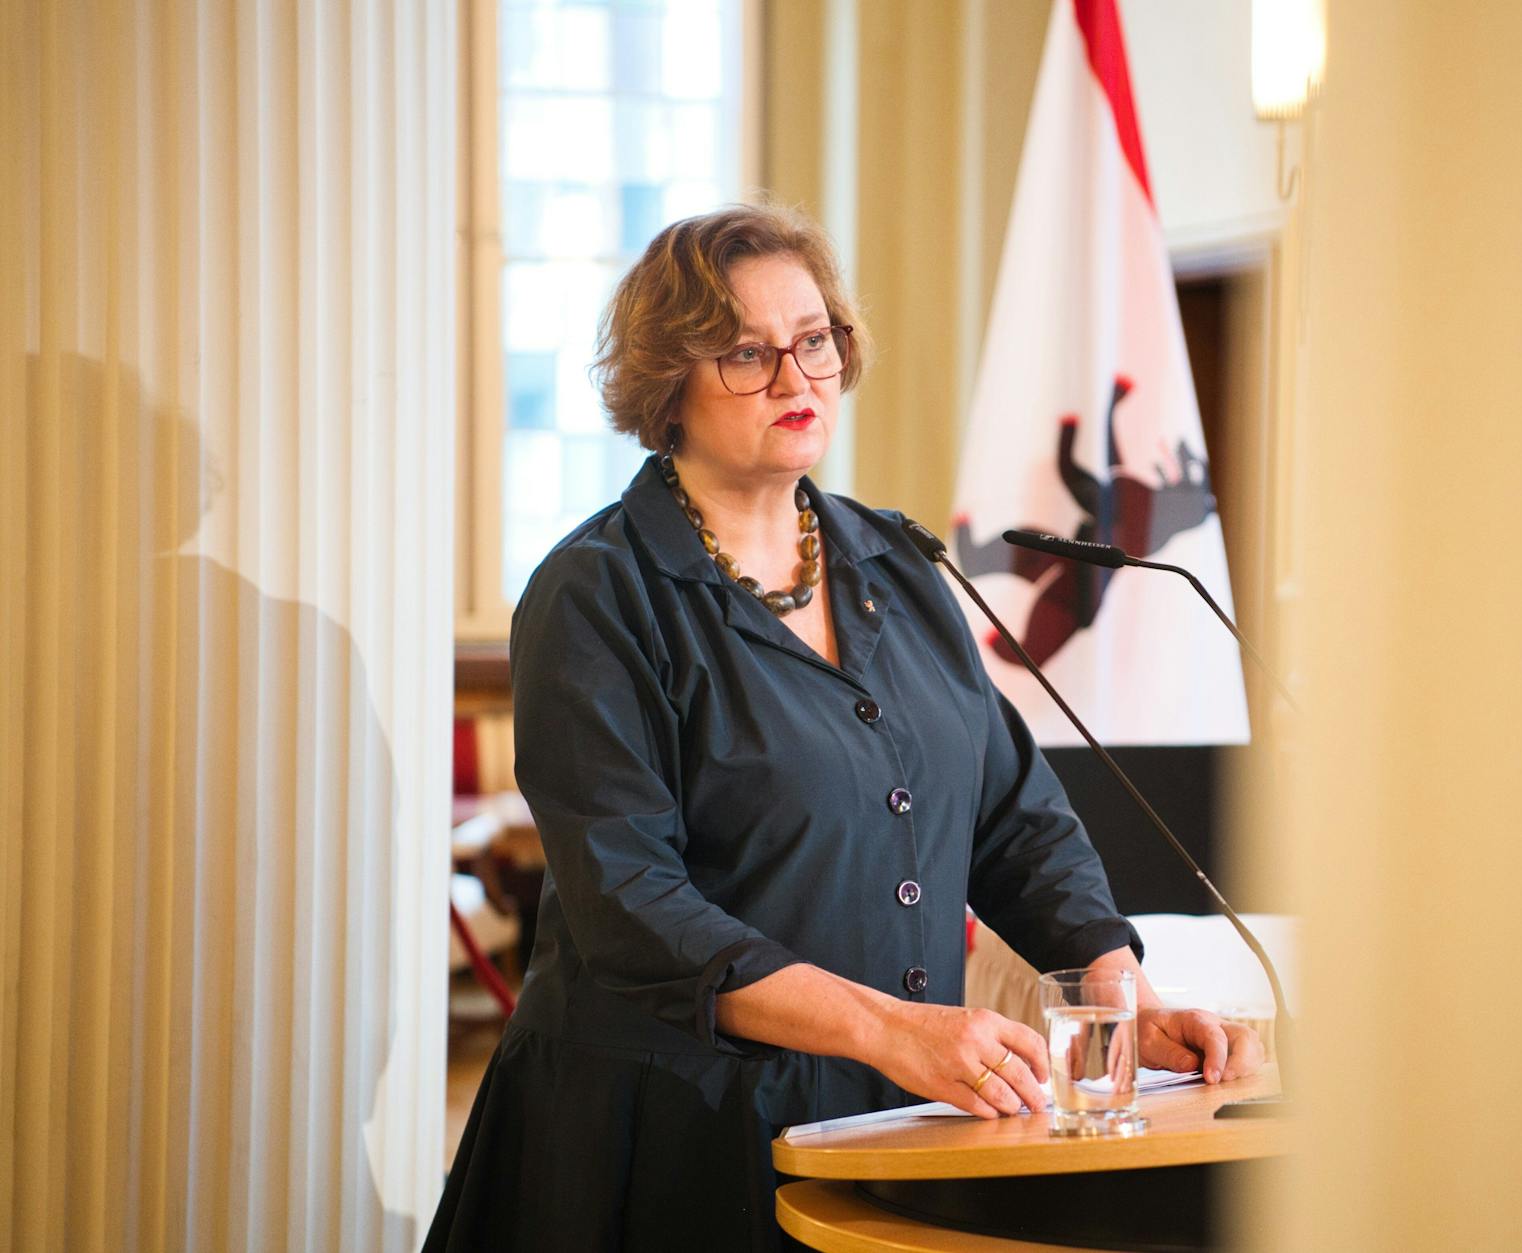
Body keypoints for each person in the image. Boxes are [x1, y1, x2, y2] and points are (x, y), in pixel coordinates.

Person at [424, 203, 1264, 1252]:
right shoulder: (597, 595)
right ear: (666, 382)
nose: (795, 376)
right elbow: (630, 904)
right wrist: (890, 1026)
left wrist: (1115, 988)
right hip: (669, 1135)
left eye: (813, 338)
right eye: (744, 351)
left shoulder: (897, 564)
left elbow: (1009, 816)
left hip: (893, 1114)